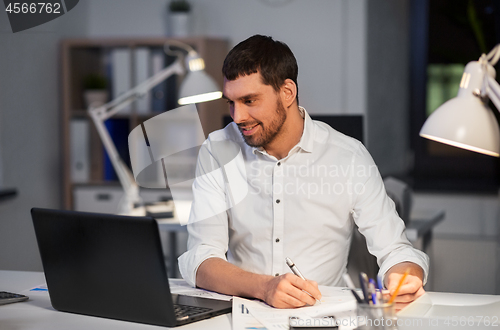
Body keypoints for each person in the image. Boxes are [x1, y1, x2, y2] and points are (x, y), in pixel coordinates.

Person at [178, 35, 428, 311]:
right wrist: (264, 287)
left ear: (287, 92)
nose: (237, 117)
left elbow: (396, 250)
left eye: (250, 100)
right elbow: (201, 259)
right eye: (231, 102)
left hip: (322, 316)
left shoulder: (349, 156)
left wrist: (404, 276)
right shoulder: (217, 150)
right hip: (243, 313)